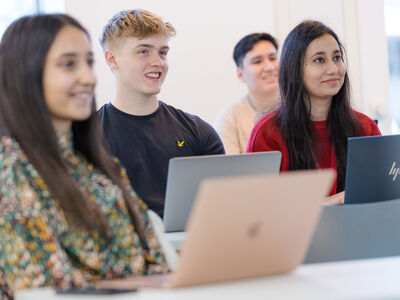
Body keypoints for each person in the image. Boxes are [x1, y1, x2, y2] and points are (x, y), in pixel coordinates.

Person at [0, 14, 176, 299]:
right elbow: (46, 289)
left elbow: (155, 257)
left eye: (88, 63)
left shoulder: (97, 165)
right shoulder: (10, 167)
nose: (87, 77)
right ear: (25, 73)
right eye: (69, 64)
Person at [98, 9, 225, 217]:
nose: (158, 62)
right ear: (112, 59)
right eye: (143, 51)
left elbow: (221, 209)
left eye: (162, 52)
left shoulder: (199, 132)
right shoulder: (87, 138)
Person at [247, 20, 381, 205]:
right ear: (295, 70)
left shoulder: (365, 127)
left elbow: (380, 197)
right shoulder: (267, 133)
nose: (334, 69)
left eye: (337, 57)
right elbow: (258, 209)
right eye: (319, 60)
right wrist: (328, 203)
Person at [214, 33, 280, 154]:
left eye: (273, 58)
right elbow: (229, 169)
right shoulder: (229, 117)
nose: (269, 67)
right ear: (240, 74)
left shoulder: (305, 106)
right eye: (257, 61)